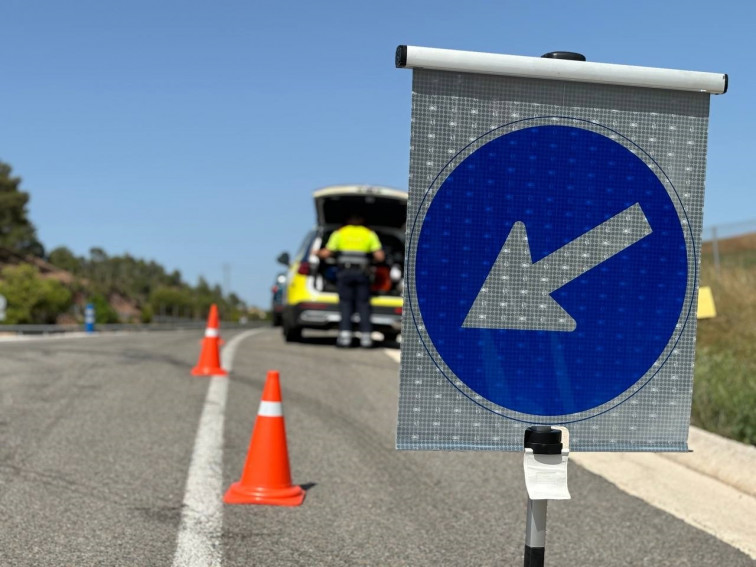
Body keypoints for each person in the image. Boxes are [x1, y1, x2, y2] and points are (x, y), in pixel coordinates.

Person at [317, 213, 385, 348]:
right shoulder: (369, 234)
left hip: (345, 273)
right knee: (363, 305)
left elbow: (327, 253)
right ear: (362, 219)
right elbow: (380, 256)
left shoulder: (340, 233)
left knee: (345, 304)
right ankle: (366, 339)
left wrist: (317, 253)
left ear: (347, 219)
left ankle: (345, 338)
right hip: (362, 273)